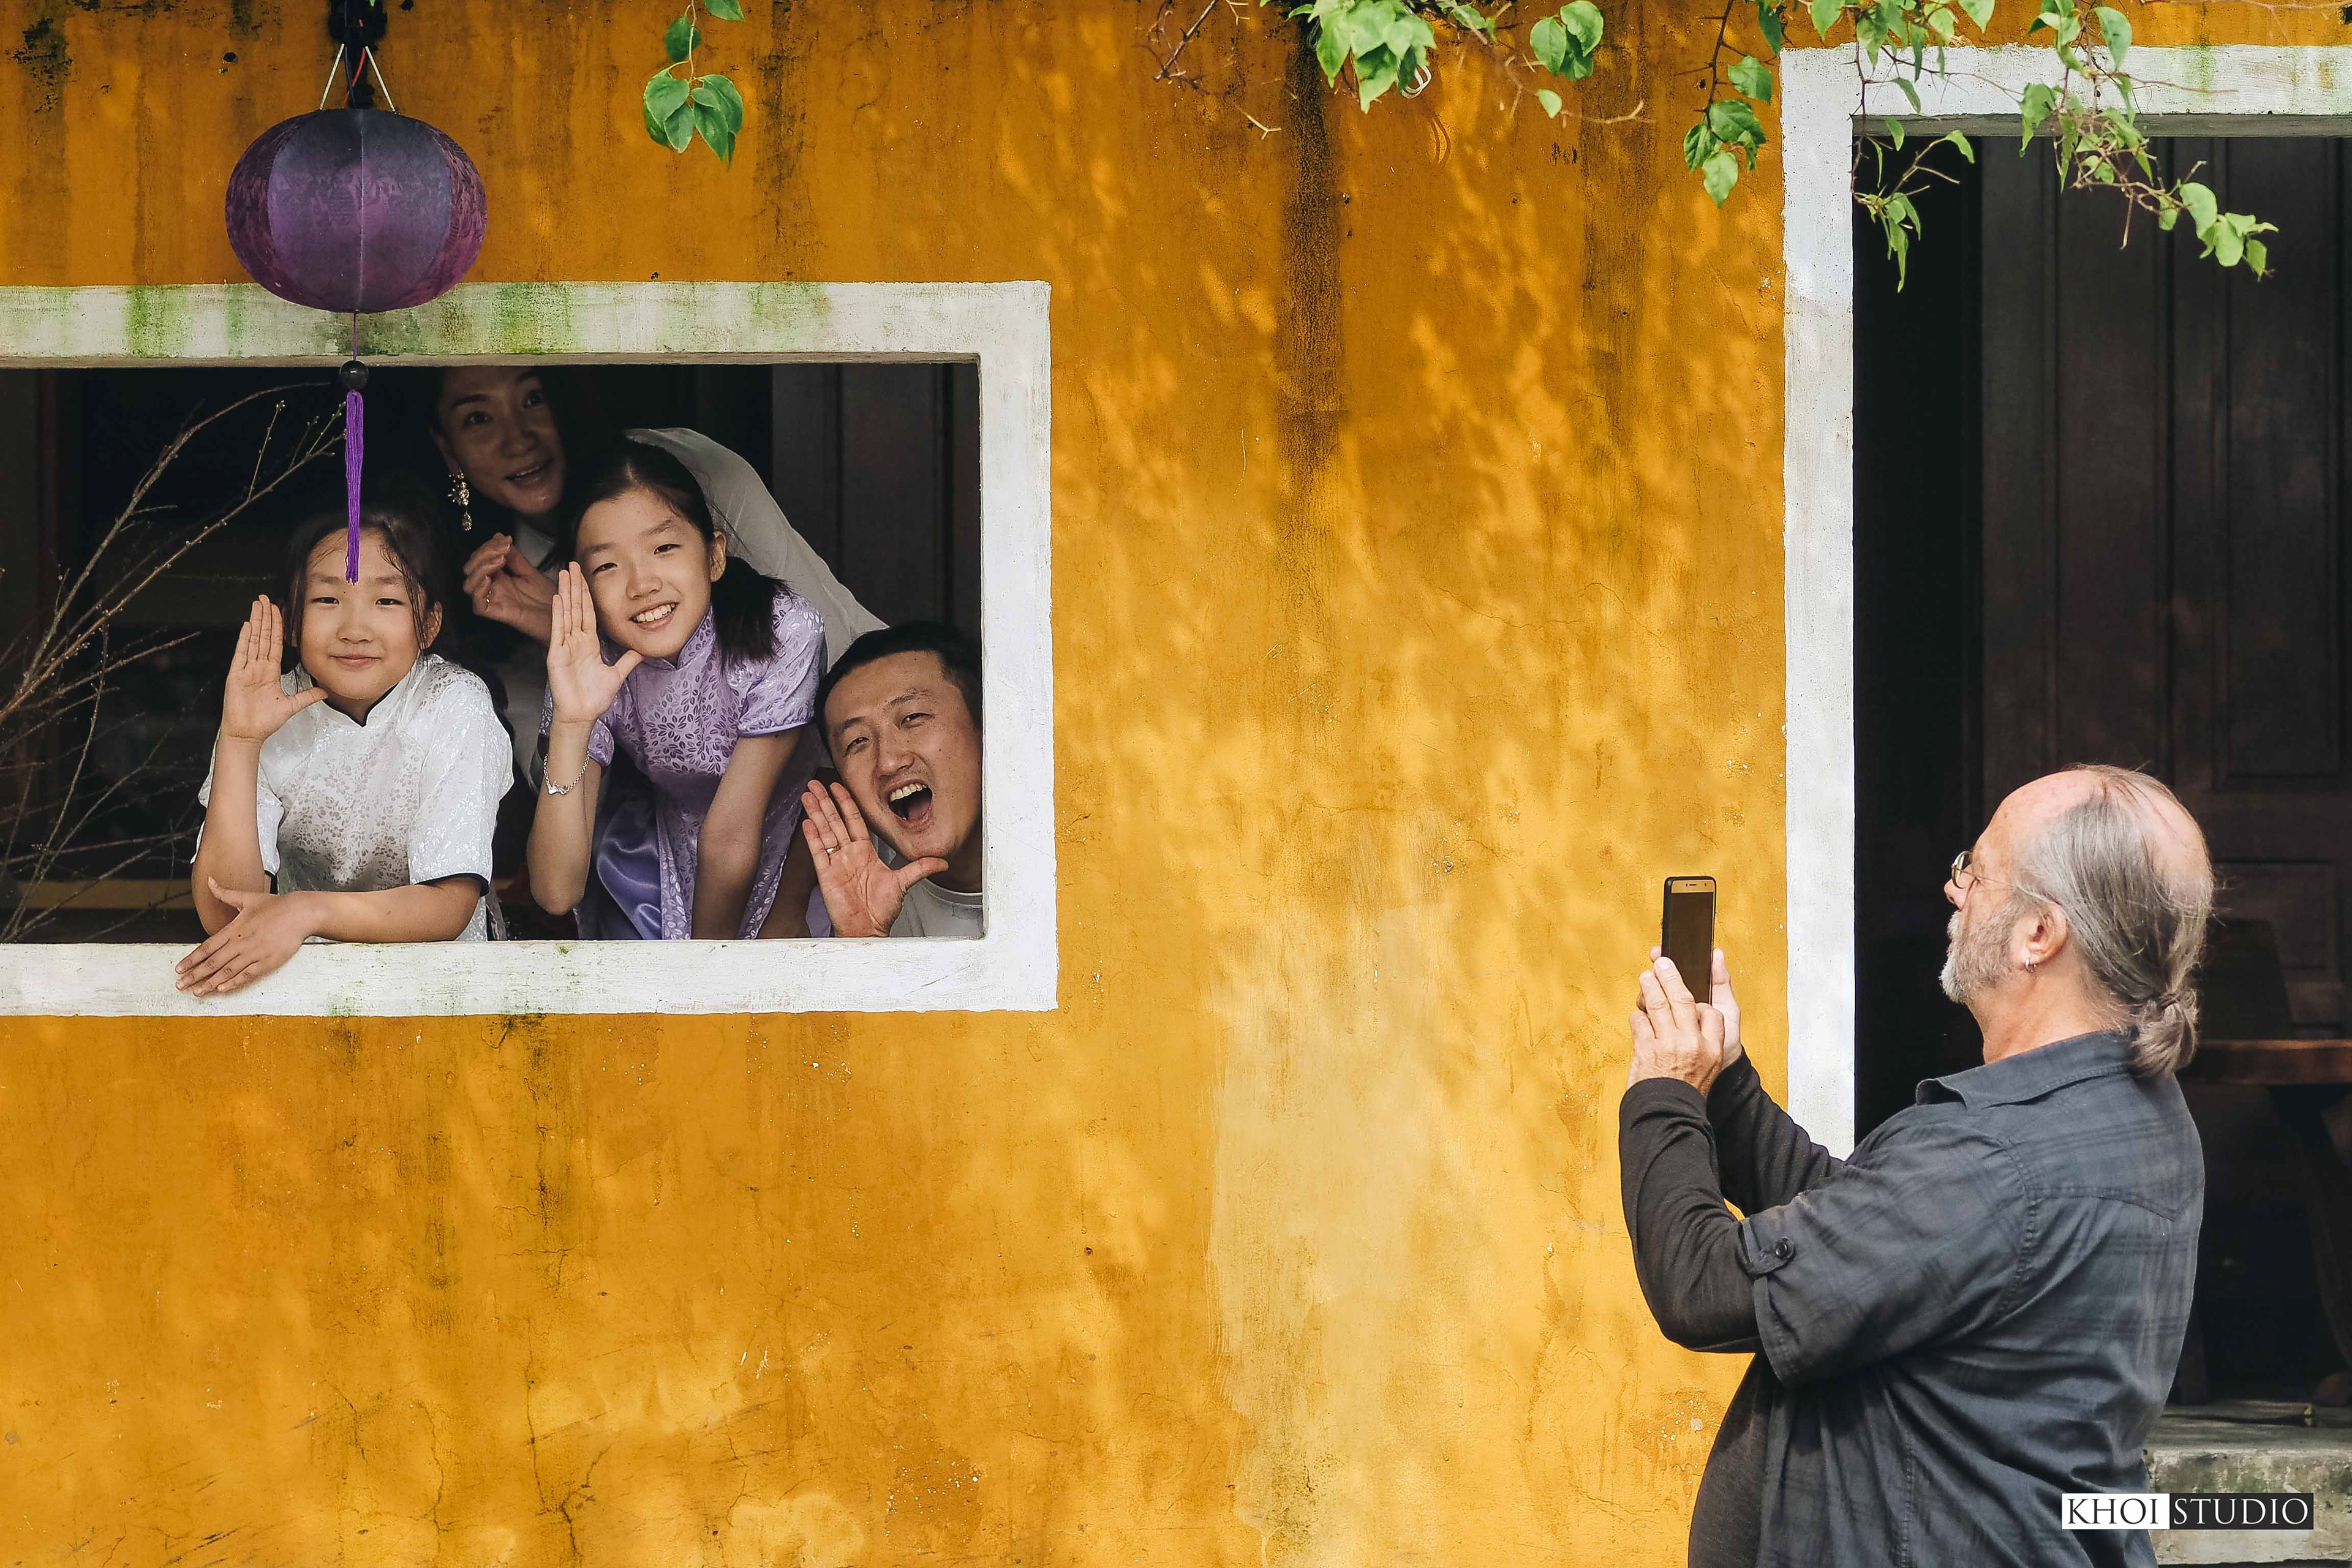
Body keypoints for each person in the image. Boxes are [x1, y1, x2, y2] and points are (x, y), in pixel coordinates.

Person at [1619, 765, 2212, 1567]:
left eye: (1978, 867)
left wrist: (1665, 1091)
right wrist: (1722, 1084)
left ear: (2040, 932)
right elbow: (1869, 1239)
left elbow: (1703, 1289)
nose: (1953, 888)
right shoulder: (2132, 1111)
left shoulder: (1995, 1164)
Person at [176, 503, 512, 995]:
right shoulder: (267, 705)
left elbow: (449, 906)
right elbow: (226, 913)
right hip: (299, 984)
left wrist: (308, 910)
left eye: (388, 602)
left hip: (445, 990)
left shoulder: (454, 704)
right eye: (328, 600)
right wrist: (240, 741)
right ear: (291, 623)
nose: (355, 628)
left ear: (430, 625)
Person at [527, 440, 827, 939]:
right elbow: (556, 891)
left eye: (664, 548)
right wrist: (572, 721)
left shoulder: (784, 630)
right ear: (580, 589)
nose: (642, 584)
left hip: (797, 856)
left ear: (713, 555)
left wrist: (704, 982)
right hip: (665, 860)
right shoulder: (588, 662)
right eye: (607, 566)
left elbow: (730, 838)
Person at [784, 623, 983, 940]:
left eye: (913, 718)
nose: (888, 762)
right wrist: (863, 937)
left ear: (984, 727)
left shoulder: (1075, 860)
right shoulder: (875, 907)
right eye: (857, 742)